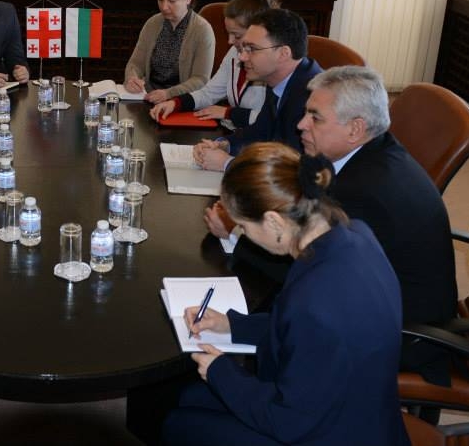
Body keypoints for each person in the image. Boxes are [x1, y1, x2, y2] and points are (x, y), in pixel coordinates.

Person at [162, 143, 408, 446]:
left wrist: (220, 372)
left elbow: (289, 420)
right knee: (189, 398)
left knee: (180, 423)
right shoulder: (352, 235)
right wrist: (232, 324)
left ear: (274, 222)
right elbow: (295, 328)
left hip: (328, 431)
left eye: (242, 226)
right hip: (357, 406)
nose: (242, 233)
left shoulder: (315, 303)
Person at [297, 66, 457, 387]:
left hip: (404, 333)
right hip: (394, 298)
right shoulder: (374, 149)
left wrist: (240, 233)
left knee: (278, 328)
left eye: (315, 117)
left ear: (355, 129)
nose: (301, 124)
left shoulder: (364, 192)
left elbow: (312, 269)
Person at [192, 8, 321, 171]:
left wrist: (227, 164)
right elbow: (259, 133)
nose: (242, 57)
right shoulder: (278, 79)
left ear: (283, 53)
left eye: (252, 49)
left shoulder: (311, 97)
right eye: (244, 48)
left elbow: (294, 170)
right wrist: (224, 145)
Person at [150, 0, 276, 125]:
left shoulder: (272, 64)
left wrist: (228, 113)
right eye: (228, 34)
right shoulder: (234, 52)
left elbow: (272, 120)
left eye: (237, 36)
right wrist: (175, 103)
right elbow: (209, 93)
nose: (230, 41)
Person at [123, 0, 216, 104]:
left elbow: (201, 79)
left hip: (180, 101)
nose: (164, 7)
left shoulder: (202, 30)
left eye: (172, 0)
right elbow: (136, 63)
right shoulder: (152, 23)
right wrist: (132, 78)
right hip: (148, 96)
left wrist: (168, 94)